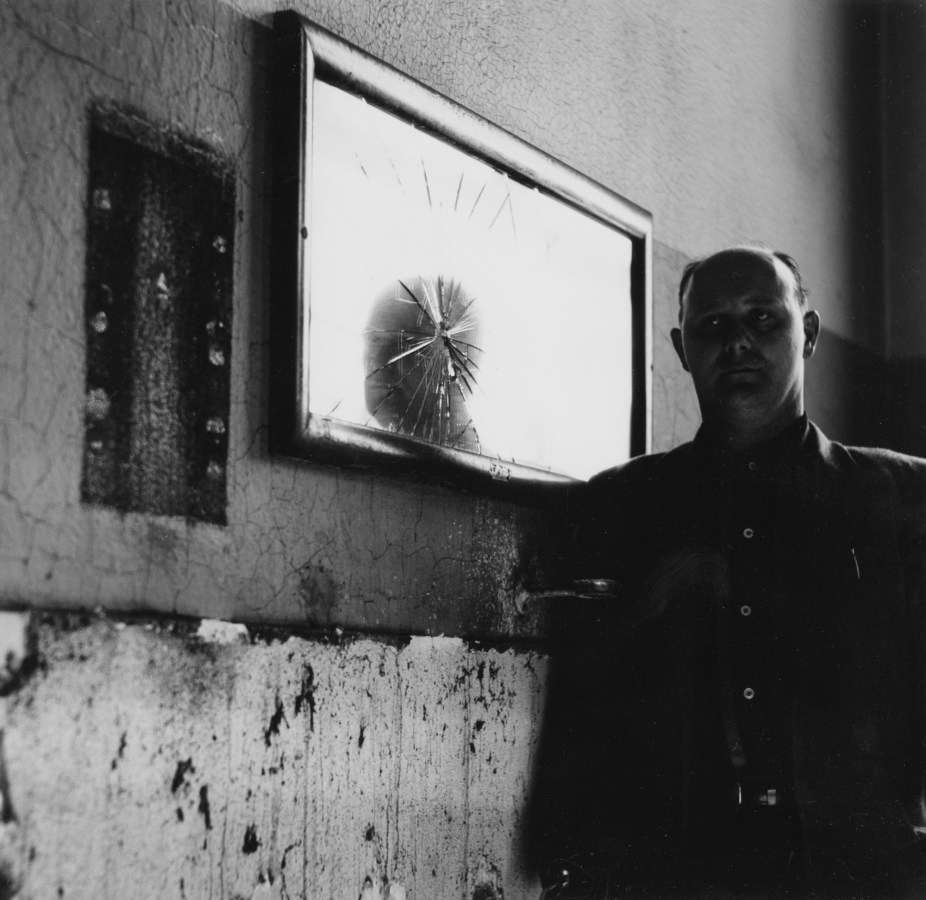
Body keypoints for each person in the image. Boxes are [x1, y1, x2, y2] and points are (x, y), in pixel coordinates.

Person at [529, 246, 926, 899]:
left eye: (763, 318)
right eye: (713, 324)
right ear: (682, 348)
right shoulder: (620, 505)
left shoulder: (901, 498)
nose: (738, 341)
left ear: (809, 333)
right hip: (675, 879)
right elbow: (581, 709)